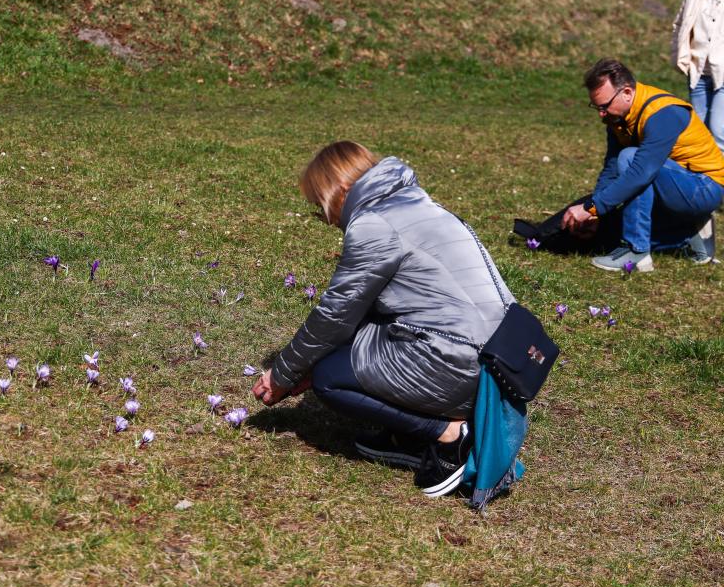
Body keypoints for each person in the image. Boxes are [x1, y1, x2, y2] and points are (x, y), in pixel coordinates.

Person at [250, 141, 513, 497]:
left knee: (330, 378)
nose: (326, 219)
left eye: (320, 206)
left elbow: (335, 314)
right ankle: (407, 434)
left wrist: (283, 374)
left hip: (460, 363)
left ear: (340, 190)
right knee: (336, 355)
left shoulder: (374, 225)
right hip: (499, 359)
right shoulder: (415, 202)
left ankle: (449, 436)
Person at [561, 59, 724, 272]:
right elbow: (611, 169)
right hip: (675, 185)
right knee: (612, 229)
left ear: (627, 92)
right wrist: (596, 213)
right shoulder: (619, 117)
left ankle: (637, 252)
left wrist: (591, 207)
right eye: (596, 107)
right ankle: (688, 233)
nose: (601, 113)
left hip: (705, 188)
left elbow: (641, 173)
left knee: (631, 158)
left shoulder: (663, 113)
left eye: (604, 106)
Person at [671, 0, 724, 151]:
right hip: (699, 71)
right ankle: (700, 180)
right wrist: (679, 55)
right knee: (698, 130)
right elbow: (679, 24)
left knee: (719, 131)